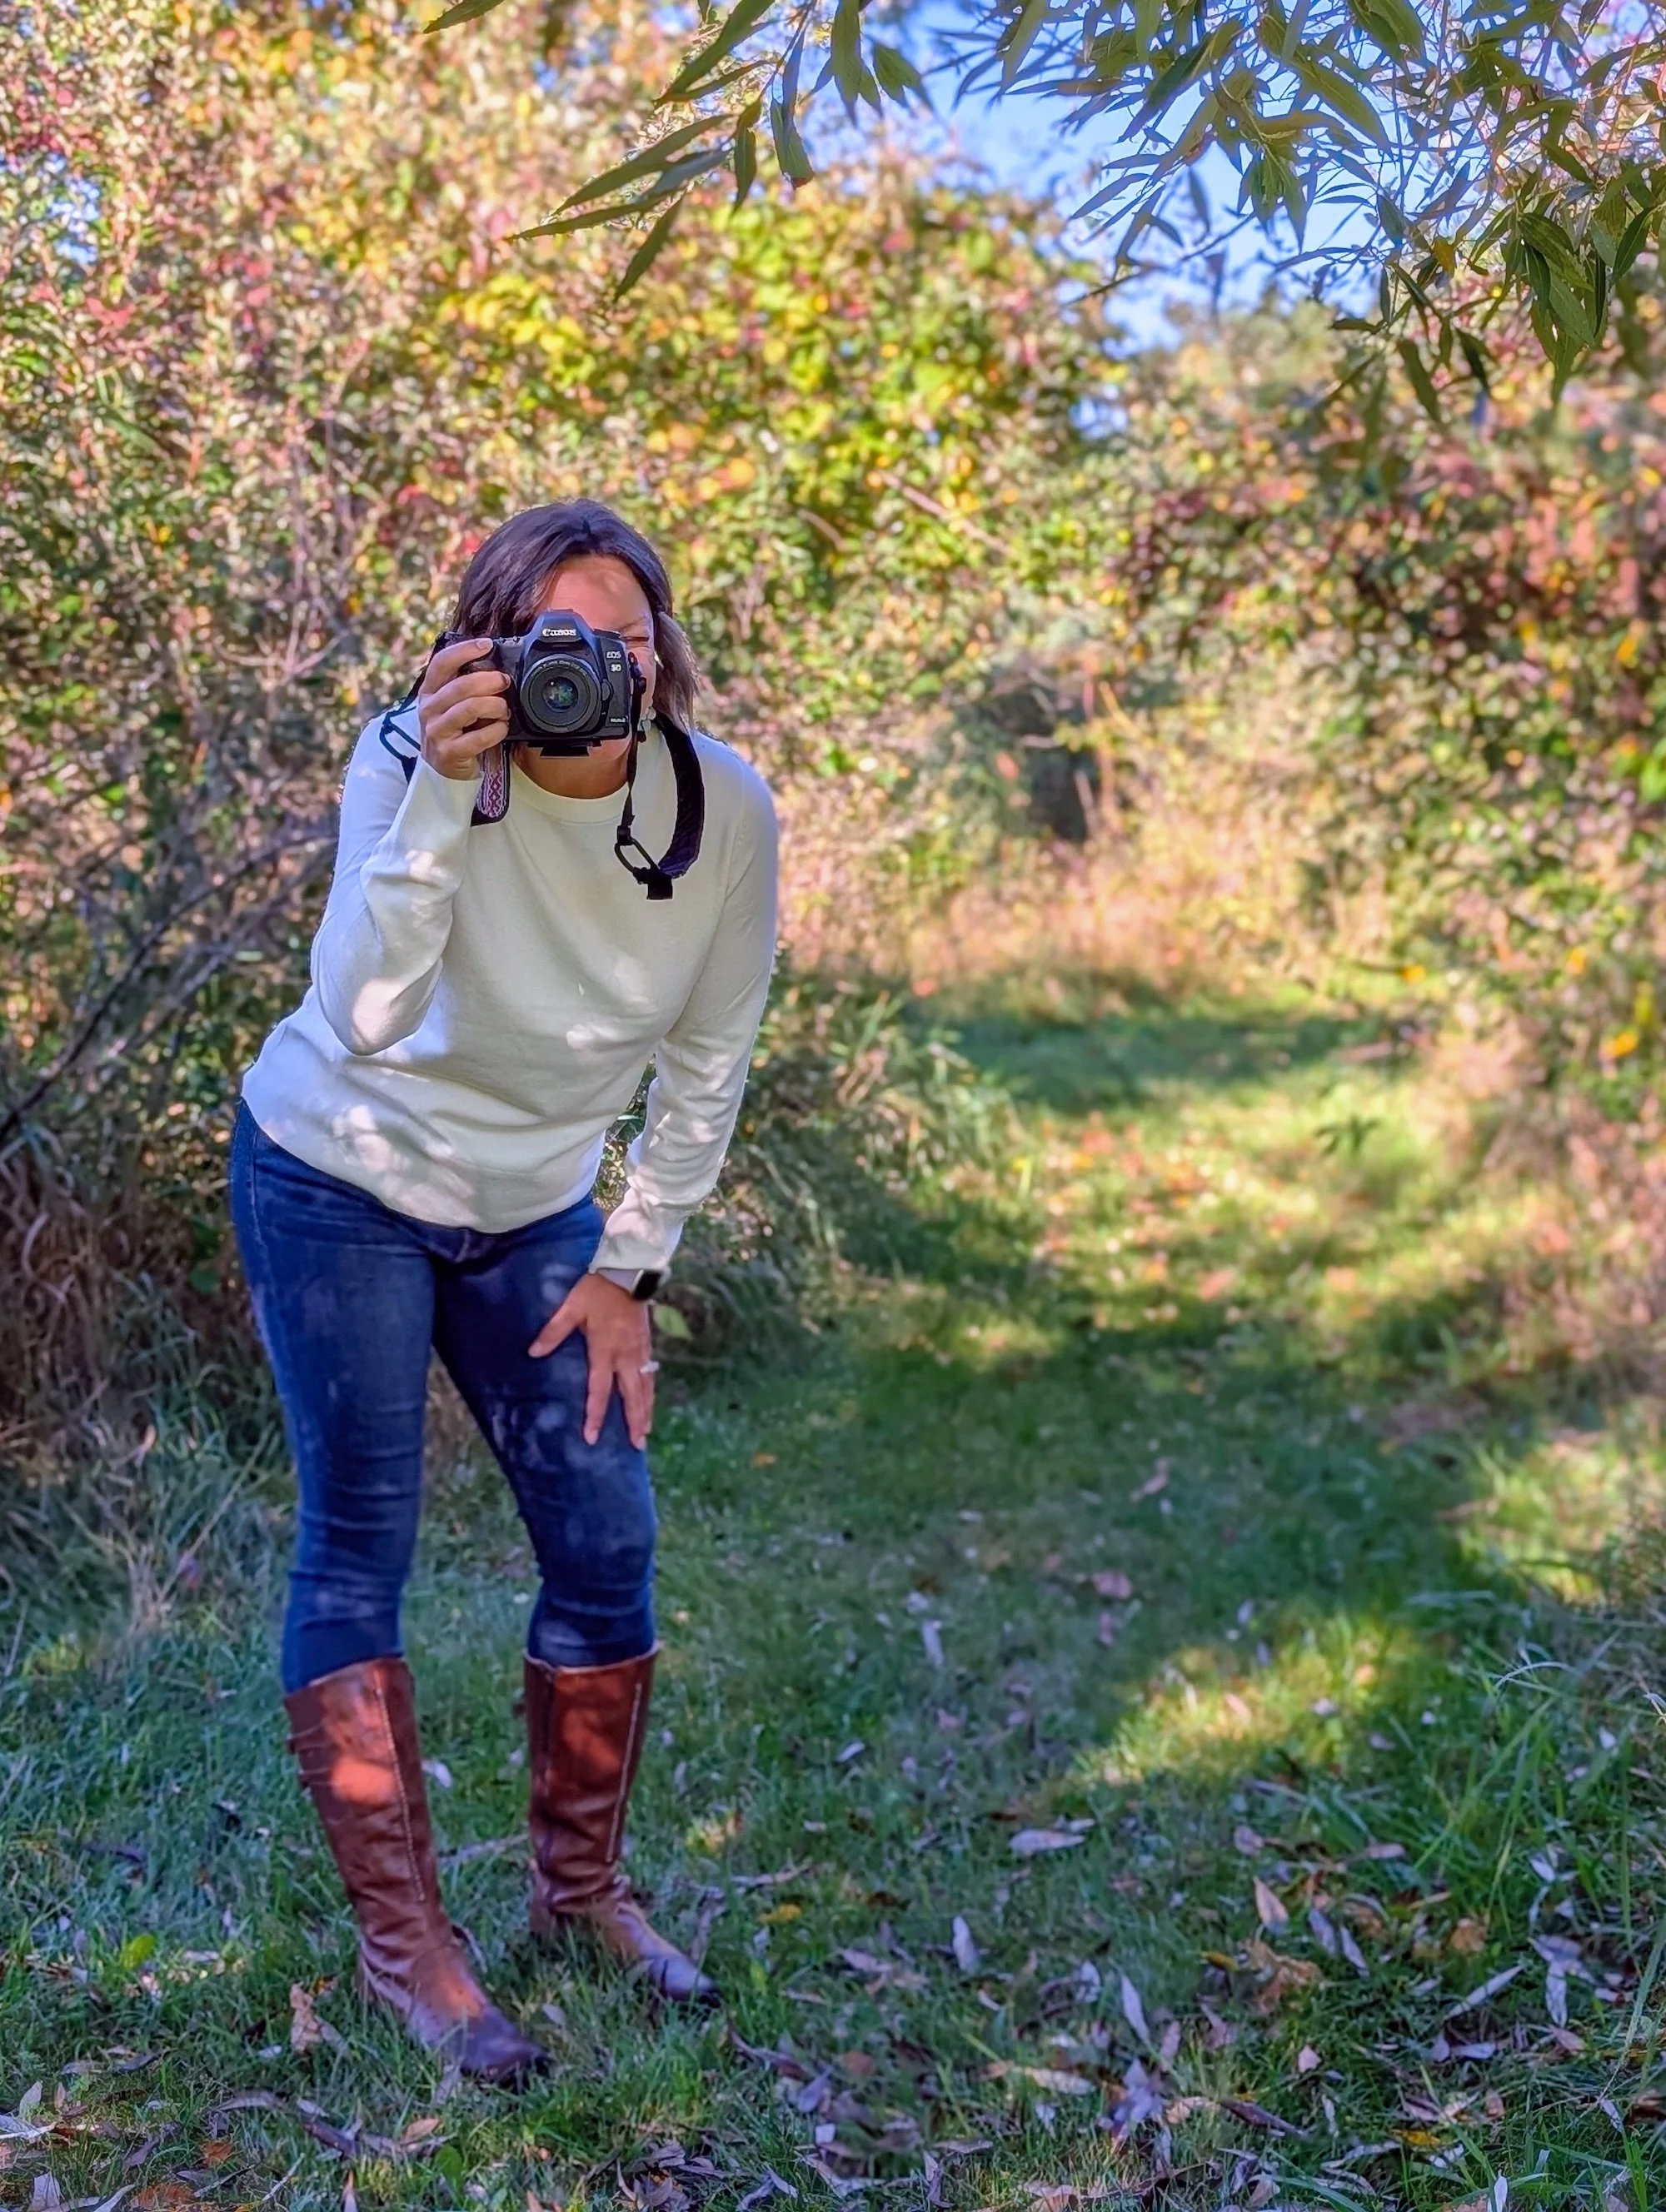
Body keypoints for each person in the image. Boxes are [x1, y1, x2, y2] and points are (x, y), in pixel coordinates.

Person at [229, 500, 778, 2081]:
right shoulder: (415, 757)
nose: (579, 674)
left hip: (537, 1206)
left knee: (609, 1537)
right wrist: (437, 793)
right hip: (340, 1171)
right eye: (546, 642)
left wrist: (633, 1262)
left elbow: (706, 1059)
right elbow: (370, 1011)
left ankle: (580, 1894)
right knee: (359, 1547)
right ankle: (410, 1951)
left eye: (612, 642)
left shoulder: (721, 810)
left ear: (660, 655)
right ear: (485, 648)